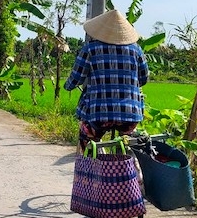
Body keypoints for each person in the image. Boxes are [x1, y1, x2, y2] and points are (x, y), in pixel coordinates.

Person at [63, 9, 149, 153]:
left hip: (98, 114)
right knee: (129, 145)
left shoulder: (90, 49)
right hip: (130, 114)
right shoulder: (136, 50)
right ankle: (131, 167)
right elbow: (144, 79)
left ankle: (90, 168)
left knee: (88, 139)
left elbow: (76, 78)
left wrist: (68, 86)